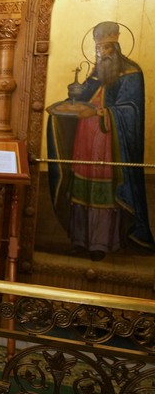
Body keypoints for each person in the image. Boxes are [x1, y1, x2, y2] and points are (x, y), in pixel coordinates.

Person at [46, 21, 155, 261]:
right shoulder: (96, 74)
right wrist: (74, 95)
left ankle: (101, 243)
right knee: (83, 189)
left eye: (106, 48)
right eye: (99, 48)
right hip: (85, 137)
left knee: (102, 192)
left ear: (116, 47)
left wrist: (102, 113)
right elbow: (82, 99)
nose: (102, 53)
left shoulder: (131, 73)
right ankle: (80, 240)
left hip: (109, 140)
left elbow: (131, 110)